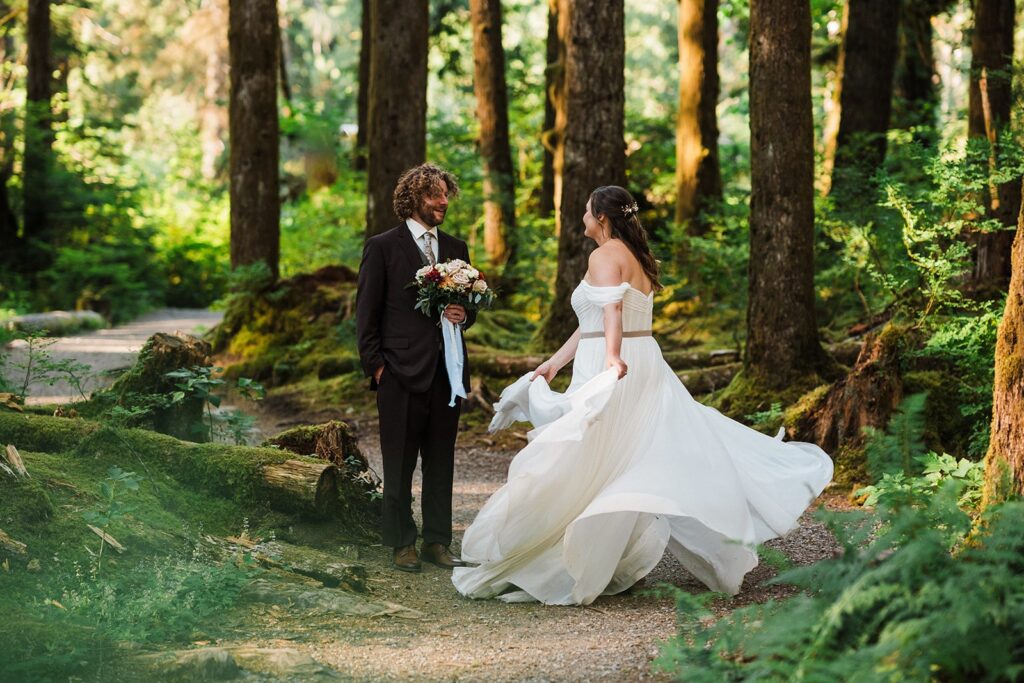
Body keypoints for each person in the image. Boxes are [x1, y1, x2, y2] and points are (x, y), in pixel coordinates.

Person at [452, 185, 833, 605]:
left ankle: (575, 561)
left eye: (584, 210)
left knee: (593, 459)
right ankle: (615, 559)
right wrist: (555, 363)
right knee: (621, 458)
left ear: (601, 217)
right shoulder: (637, 257)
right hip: (640, 358)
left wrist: (613, 359)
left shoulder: (604, 255)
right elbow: (594, 319)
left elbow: (611, 313)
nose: (580, 216)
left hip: (613, 363)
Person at [356, 163, 474, 573]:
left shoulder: (457, 247)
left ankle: (437, 542)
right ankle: (401, 542)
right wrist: (377, 368)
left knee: (441, 461)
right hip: (399, 374)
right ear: (413, 199)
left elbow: (468, 310)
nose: (443, 201)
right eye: (435, 195)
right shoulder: (383, 246)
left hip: (448, 373)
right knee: (400, 462)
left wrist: (464, 312)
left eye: (446, 194)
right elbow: (366, 313)